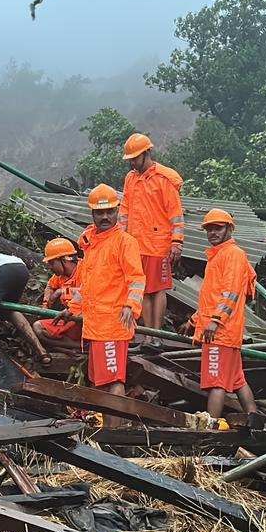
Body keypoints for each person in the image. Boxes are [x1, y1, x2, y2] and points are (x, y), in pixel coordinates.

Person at [57, 184, 146, 395]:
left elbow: (137, 279)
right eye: (100, 212)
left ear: (117, 211)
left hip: (113, 324)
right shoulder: (92, 246)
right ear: (92, 214)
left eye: (109, 211)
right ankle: (106, 425)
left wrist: (130, 306)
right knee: (100, 382)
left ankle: (116, 428)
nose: (105, 216)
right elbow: (87, 286)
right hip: (96, 326)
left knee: (114, 380)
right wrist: (73, 309)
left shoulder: (125, 242)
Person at [191, 209, 259, 421]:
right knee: (238, 381)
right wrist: (193, 320)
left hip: (220, 333)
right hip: (222, 331)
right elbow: (212, 296)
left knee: (216, 383)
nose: (212, 232)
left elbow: (231, 293)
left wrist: (215, 321)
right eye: (209, 229)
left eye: (218, 228)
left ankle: (209, 430)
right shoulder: (219, 255)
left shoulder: (232, 255)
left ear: (229, 228)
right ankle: (255, 420)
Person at [120, 132, 184, 332]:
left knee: (158, 289)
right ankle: (148, 334)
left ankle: (156, 334)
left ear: (146, 153)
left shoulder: (164, 179)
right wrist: (120, 238)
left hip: (158, 244)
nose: (132, 163)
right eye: (129, 159)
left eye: (134, 158)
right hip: (135, 244)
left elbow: (176, 214)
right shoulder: (131, 179)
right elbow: (125, 209)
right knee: (144, 289)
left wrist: (177, 241)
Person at [35, 238, 83, 354]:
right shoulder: (60, 275)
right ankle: (76, 346)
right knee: (38, 327)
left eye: (52, 263)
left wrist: (62, 291)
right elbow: (50, 286)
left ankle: (81, 346)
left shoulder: (86, 269)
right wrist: (45, 305)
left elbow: (89, 292)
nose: (50, 267)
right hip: (69, 320)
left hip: (87, 321)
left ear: (64, 260)